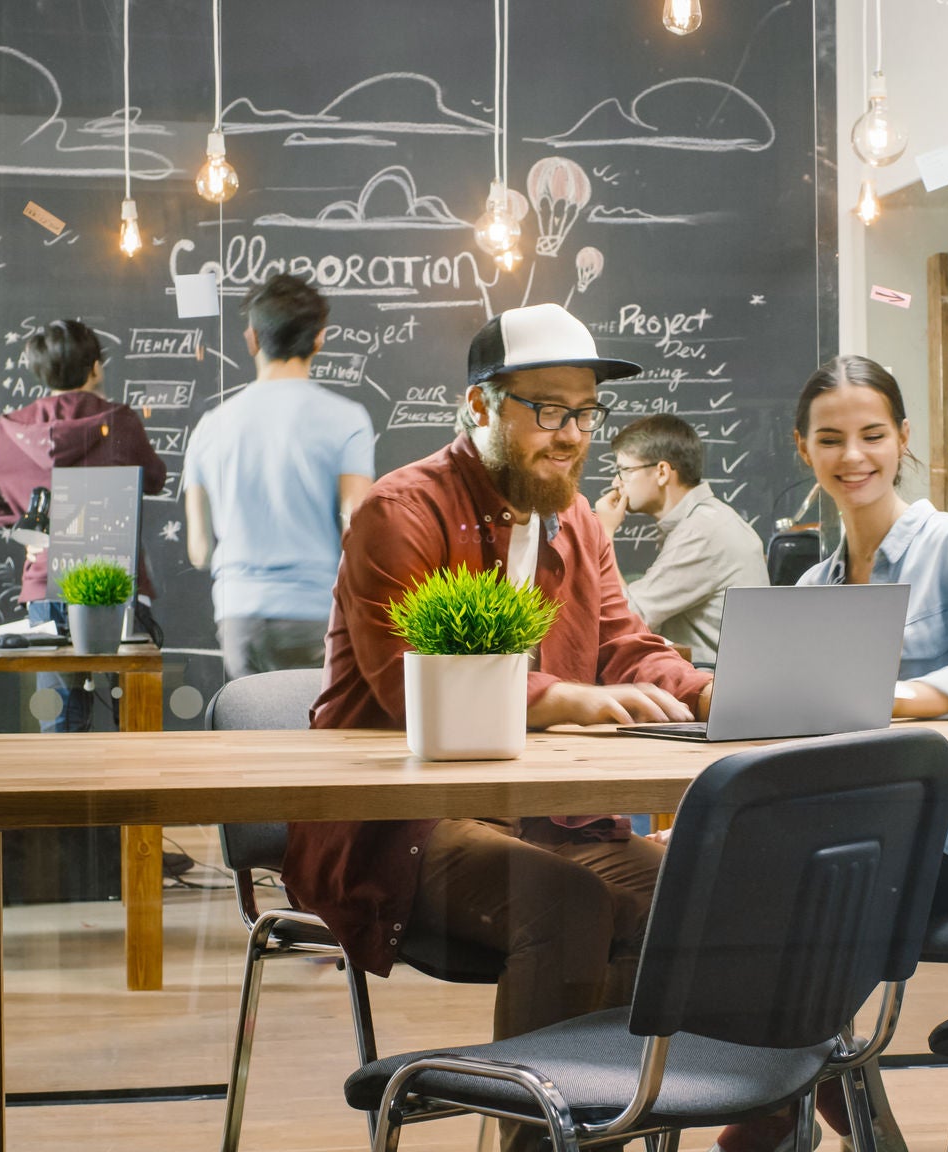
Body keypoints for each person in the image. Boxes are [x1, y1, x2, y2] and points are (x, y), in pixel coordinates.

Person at [282, 303, 712, 1149]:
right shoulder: (399, 512)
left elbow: (624, 643)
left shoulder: (576, 519)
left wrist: (703, 692)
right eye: (548, 409)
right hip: (401, 820)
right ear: (479, 406)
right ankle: (537, 1141)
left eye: (586, 412)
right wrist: (558, 697)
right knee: (568, 904)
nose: (572, 434)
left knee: (690, 894)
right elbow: (411, 684)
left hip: (544, 814)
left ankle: (599, 1132)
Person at [709, 355, 948, 1152]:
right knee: (728, 875)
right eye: (831, 440)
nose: (852, 457)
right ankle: (833, 1110)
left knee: (805, 889)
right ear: (803, 450)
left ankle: (781, 1111)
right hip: (860, 836)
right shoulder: (813, 586)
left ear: (903, 440)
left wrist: (867, 696)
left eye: (871, 436)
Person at [0, 319, 166, 732]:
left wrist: (30, 527)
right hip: (115, 582)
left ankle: (65, 796)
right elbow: (155, 479)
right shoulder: (121, 421)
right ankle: (132, 795)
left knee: (62, 718)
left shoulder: (9, 431)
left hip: (48, 584)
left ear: (39, 372)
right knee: (134, 714)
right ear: (95, 367)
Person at [184, 275, 375, 679]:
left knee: (251, 733)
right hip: (318, 613)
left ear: (252, 338)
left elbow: (199, 550)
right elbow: (357, 526)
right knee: (322, 736)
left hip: (239, 613)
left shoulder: (209, 427)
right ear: (319, 339)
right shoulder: (348, 419)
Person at [593, 414, 768, 662]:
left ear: (662, 472)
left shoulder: (705, 531)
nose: (616, 482)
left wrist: (604, 534)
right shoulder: (705, 519)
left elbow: (629, 617)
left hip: (715, 686)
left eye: (625, 470)